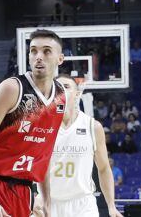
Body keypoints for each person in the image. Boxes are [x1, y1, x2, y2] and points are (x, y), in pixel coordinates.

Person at [0, 29, 68, 217]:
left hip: (23, 189)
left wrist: (46, 200)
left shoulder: (60, 97)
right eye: (33, 51)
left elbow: (44, 153)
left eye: (46, 51)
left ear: (60, 59)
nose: (38, 57)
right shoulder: (11, 89)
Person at [49, 75, 122, 217]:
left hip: (82, 203)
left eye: (67, 86)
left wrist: (111, 206)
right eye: (57, 87)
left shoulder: (92, 126)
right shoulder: (42, 126)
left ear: (77, 94)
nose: (61, 90)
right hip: (50, 202)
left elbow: (104, 168)